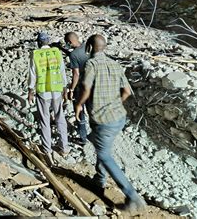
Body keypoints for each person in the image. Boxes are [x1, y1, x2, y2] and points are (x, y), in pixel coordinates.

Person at [76, 35, 146, 214]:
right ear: (104, 47)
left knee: (105, 154)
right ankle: (99, 181)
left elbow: (85, 87)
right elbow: (127, 92)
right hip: (118, 117)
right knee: (101, 146)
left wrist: (78, 104)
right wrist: (115, 104)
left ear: (89, 48)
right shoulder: (115, 64)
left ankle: (132, 197)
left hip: (103, 120)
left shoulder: (91, 64)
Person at [28, 32, 69, 165]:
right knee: (60, 118)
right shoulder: (56, 53)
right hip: (56, 90)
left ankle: (47, 149)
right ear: (49, 42)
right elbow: (62, 71)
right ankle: (65, 148)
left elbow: (32, 73)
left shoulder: (35, 54)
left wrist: (30, 90)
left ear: (39, 42)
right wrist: (65, 88)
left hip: (43, 92)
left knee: (45, 120)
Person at [64, 32, 89, 145]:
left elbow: (76, 74)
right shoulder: (89, 47)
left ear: (69, 42)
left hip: (82, 86)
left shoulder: (73, 55)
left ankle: (83, 137)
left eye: (67, 43)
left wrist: (72, 89)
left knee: (80, 110)